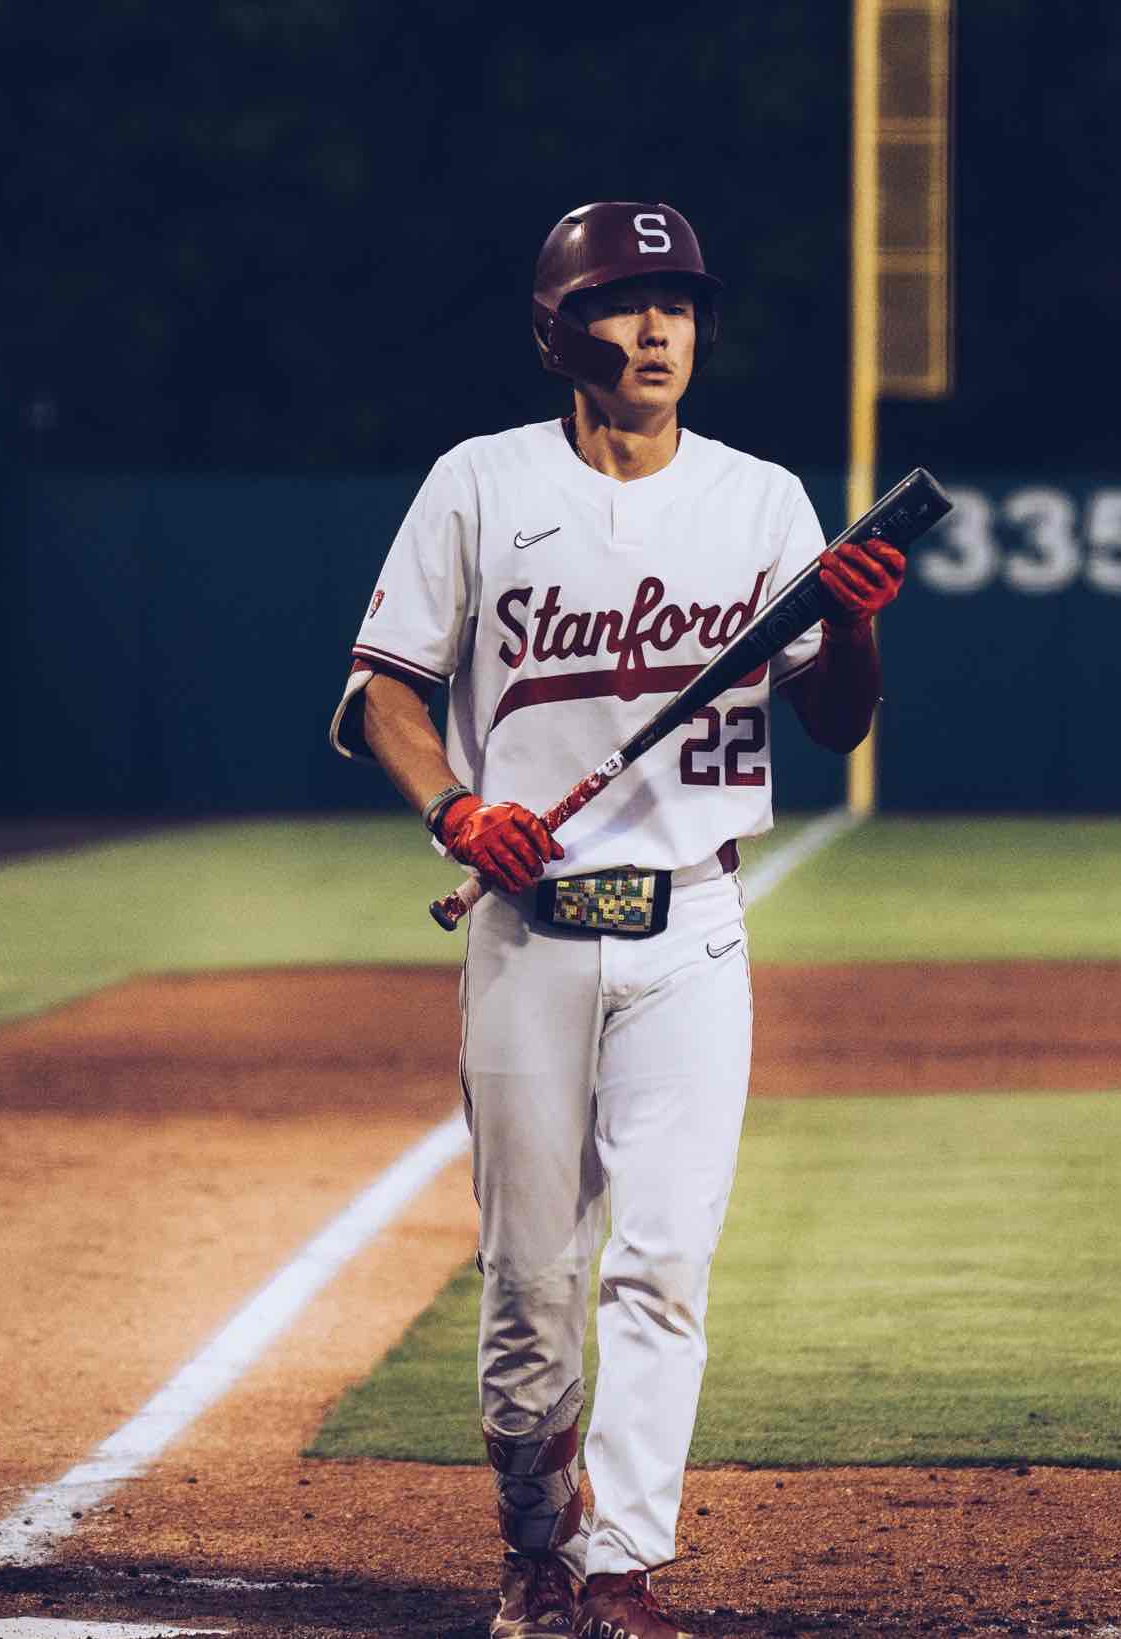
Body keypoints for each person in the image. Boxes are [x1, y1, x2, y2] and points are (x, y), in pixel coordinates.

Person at [328, 201, 906, 1639]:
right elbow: (385, 690)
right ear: (555, 331)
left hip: (690, 932)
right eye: (623, 302)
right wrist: (456, 810)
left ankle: (622, 1565)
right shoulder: (479, 482)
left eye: (680, 304)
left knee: (663, 1263)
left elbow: (835, 721)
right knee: (530, 1282)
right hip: (525, 934)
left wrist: (851, 624)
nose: (657, 329)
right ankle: (536, 1539)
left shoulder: (761, 500)